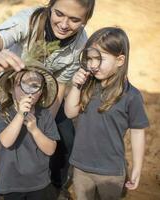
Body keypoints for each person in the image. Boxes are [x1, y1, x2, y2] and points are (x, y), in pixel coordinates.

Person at [0, 0, 96, 196]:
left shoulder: (80, 43)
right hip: (6, 83)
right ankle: (8, 186)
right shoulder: (28, 20)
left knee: (65, 136)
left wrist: (44, 121)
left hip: (44, 87)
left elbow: (62, 83)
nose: (64, 25)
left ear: (86, 20)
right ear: (50, 6)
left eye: (74, 19)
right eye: (59, 14)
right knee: (14, 134)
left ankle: (54, 186)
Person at [64, 27, 149, 200]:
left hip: (110, 172)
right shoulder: (87, 86)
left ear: (120, 60)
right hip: (80, 168)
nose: (93, 65)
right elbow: (70, 112)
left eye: (100, 59)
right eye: (90, 58)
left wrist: (137, 169)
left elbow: (138, 132)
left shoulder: (131, 96)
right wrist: (76, 86)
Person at [0, 56, 60, 200]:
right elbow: (6, 141)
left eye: (34, 86)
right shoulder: (3, 112)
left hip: (39, 183)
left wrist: (35, 130)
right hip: (11, 184)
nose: (28, 90)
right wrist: (20, 115)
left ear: (41, 92)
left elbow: (51, 149)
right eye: (22, 84)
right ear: (11, 88)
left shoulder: (45, 115)